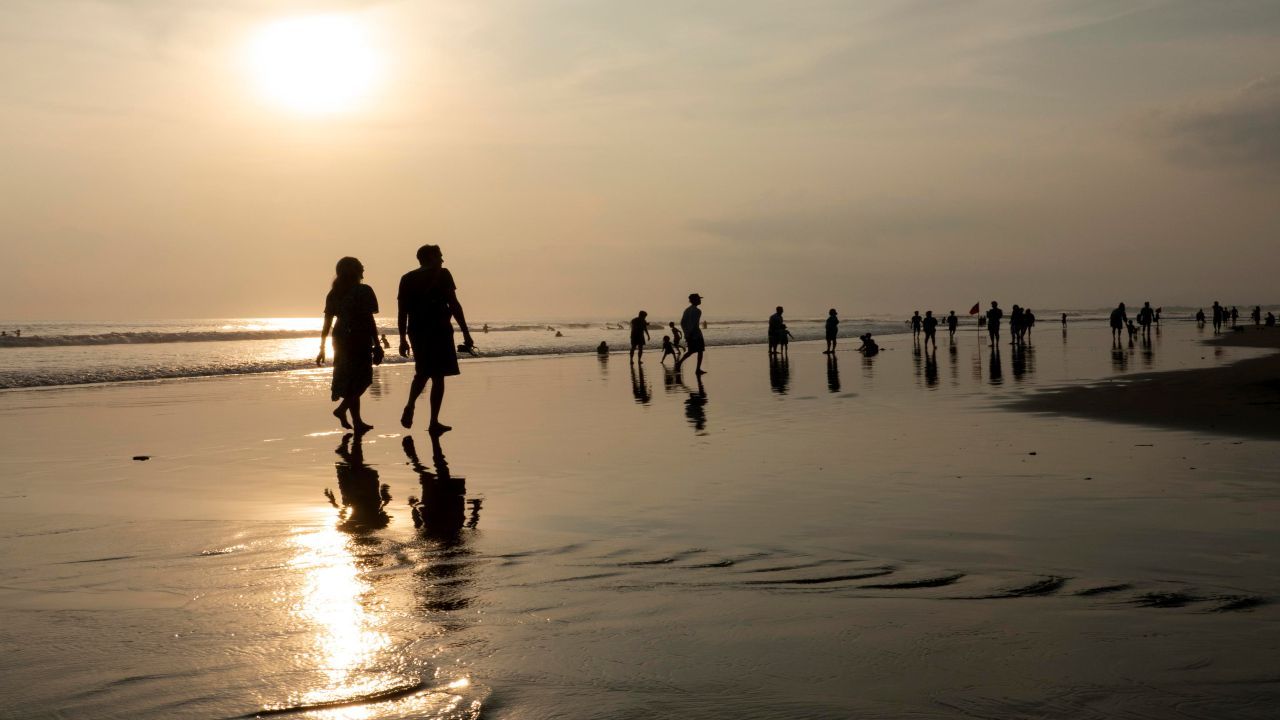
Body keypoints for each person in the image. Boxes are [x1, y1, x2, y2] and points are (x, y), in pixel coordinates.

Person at [398, 244, 475, 436]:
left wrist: (402, 339)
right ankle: (433, 421)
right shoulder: (443, 274)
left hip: (416, 331)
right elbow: (454, 304)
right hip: (439, 329)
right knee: (438, 377)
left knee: (422, 372)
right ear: (430, 257)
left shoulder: (406, 278)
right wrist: (465, 332)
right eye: (439, 256)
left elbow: (402, 312)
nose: (442, 260)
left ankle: (410, 405)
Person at [317, 256, 383, 434]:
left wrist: (322, 348)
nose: (363, 270)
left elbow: (327, 323)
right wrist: (377, 344)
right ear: (354, 270)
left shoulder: (333, 293)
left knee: (350, 379)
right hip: (358, 336)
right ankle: (342, 409)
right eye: (361, 267)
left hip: (339, 338)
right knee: (363, 379)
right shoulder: (363, 291)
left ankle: (358, 421)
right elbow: (369, 319)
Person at [675, 293, 706, 375]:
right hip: (696, 334)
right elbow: (694, 324)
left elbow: (682, 323)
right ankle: (698, 369)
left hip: (689, 334)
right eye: (698, 299)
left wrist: (686, 333)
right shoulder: (698, 311)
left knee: (690, 351)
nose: (700, 300)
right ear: (695, 300)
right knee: (700, 351)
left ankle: (679, 363)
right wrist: (691, 333)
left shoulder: (687, 310)